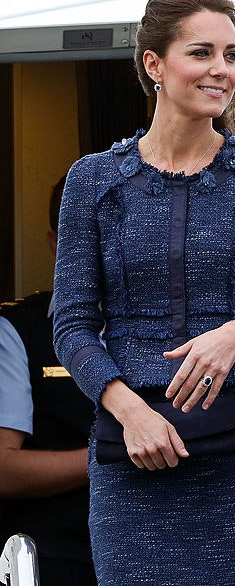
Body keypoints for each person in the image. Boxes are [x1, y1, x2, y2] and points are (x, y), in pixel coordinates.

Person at [51, 0, 235, 585]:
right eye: (203, 53)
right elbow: (71, 325)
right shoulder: (94, 181)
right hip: (129, 453)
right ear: (154, 64)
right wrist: (127, 409)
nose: (222, 70)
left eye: (232, 55)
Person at [0, 173, 97, 586]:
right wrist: (105, 458)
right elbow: (3, 469)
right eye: (80, 240)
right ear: (55, 243)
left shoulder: (163, 329)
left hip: (155, 548)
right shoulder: (17, 329)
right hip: (54, 557)